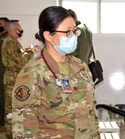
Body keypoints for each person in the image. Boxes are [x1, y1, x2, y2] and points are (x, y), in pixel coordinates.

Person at [12, 6, 99, 138]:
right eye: (67, 32)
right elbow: (24, 130)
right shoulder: (33, 73)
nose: (73, 36)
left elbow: (91, 114)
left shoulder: (81, 66)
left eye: (75, 31)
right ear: (48, 35)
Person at [1, 20, 34, 139]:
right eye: (19, 29)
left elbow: (16, 56)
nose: (21, 31)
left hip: (12, 79)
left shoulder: (10, 41)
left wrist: (27, 51)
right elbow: (20, 61)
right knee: (12, 108)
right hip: (12, 81)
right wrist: (31, 51)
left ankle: (14, 132)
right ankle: (11, 134)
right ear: (14, 30)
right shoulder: (11, 42)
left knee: (14, 107)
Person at [0, 17, 9, 127]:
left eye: (1, 24)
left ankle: (4, 121)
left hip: (4, 70)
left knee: (3, 95)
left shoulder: (8, 39)